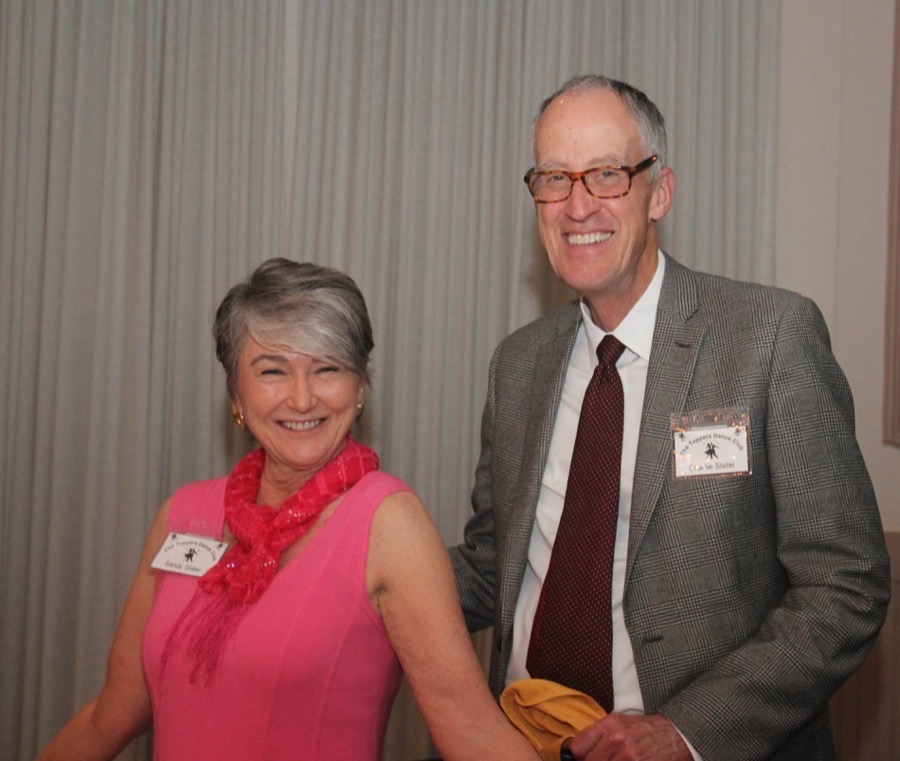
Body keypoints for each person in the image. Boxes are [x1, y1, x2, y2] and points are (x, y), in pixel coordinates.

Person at [451, 74, 891, 760]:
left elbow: (846, 585)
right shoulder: (518, 365)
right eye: (553, 178)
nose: (576, 206)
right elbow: (491, 565)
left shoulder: (768, 336)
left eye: (605, 174)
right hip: (519, 737)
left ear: (659, 191)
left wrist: (686, 730)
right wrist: (341, 571)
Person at [38, 258, 539, 761]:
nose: (302, 398)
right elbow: (111, 715)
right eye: (273, 371)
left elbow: (475, 737)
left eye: (327, 368)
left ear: (359, 388)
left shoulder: (387, 524)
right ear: (235, 392)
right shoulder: (182, 513)